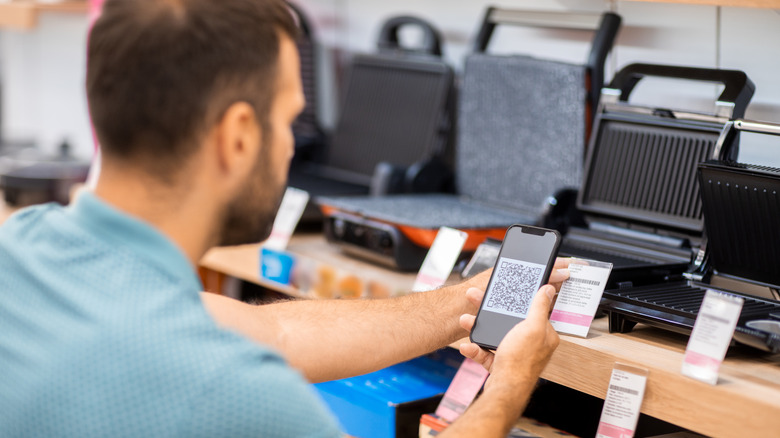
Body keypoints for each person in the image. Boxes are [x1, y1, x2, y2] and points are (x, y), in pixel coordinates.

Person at [0, 0, 570, 436]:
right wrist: (512, 380)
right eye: (287, 121)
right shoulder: (239, 398)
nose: (291, 148)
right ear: (239, 135)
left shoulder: (24, 247)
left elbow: (273, 330)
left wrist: (464, 305)